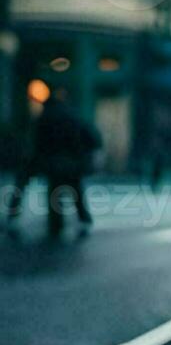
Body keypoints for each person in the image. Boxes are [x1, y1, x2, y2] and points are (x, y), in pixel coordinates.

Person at [7, 86, 100, 237]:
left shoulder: (45, 118)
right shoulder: (72, 117)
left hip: (50, 160)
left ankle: (20, 216)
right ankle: (81, 219)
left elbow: (36, 144)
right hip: (71, 161)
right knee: (74, 189)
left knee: (40, 186)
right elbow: (93, 139)